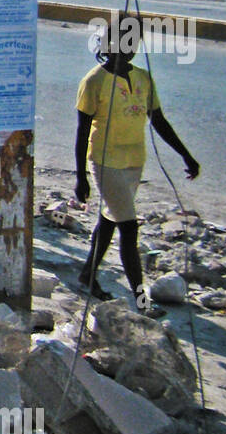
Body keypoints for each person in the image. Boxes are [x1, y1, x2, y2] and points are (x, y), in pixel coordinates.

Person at [74, 32, 200, 315]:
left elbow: (159, 121)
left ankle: (87, 274)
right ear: (110, 47)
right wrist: (80, 176)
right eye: (122, 44)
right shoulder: (94, 81)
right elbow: (82, 131)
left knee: (109, 220)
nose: (128, 51)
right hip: (105, 162)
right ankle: (142, 303)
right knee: (129, 228)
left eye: (132, 45)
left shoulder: (143, 78)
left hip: (133, 161)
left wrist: (186, 154)